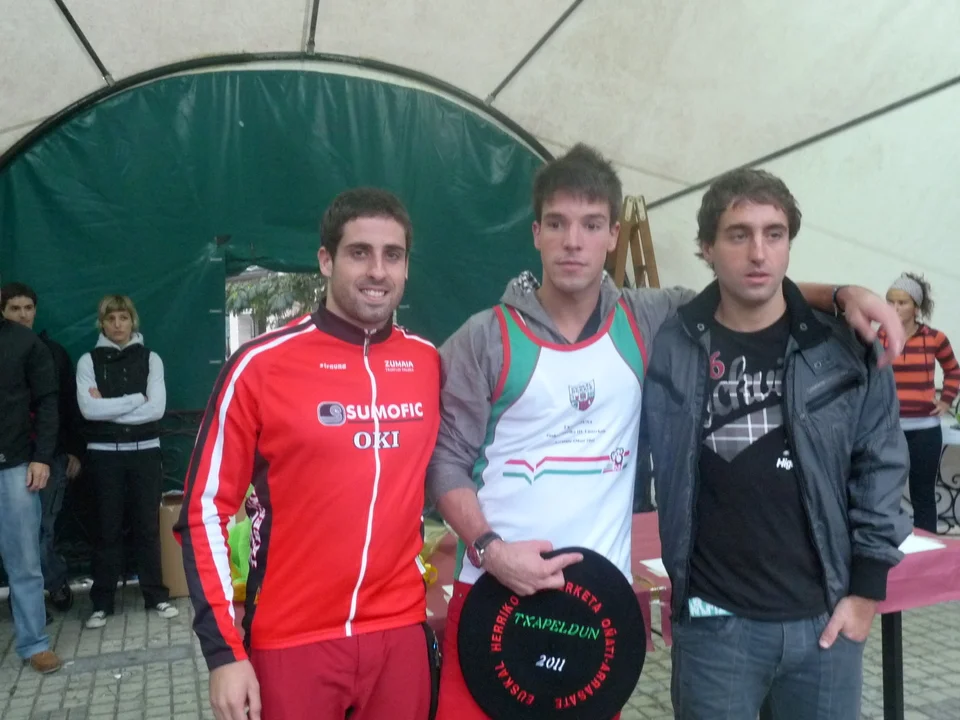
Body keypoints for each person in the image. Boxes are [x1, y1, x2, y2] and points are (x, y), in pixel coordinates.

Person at [425, 145, 908, 720]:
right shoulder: (485, 337)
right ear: (535, 233)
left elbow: (752, 287)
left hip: (594, 601)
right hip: (498, 589)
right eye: (557, 223)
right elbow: (445, 460)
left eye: (591, 224)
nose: (573, 241)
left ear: (613, 236)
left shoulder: (649, 317)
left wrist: (845, 293)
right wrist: (491, 549)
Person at [642, 168, 911, 719]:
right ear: (706, 248)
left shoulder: (844, 347)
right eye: (738, 234)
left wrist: (865, 594)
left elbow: (881, 468)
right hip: (713, 626)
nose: (758, 252)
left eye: (775, 233)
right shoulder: (668, 339)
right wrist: (840, 290)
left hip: (825, 622)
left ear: (790, 242)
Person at [176, 188, 442, 720]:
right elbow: (203, 511)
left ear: (407, 266)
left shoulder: (427, 362)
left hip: (400, 632)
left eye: (393, 255)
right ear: (325, 260)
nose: (378, 271)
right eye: (359, 252)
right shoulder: (260, 365)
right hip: (292, 639)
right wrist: (224, 653)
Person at [76, 294, 178, 629]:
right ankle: (102, 603)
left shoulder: (152, 359)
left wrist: (109, 407)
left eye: (123, 318)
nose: (117, 325)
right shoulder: (88, 362)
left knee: (147, 527)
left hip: (145, 452)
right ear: (102, 323)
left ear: (133, 321)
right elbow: (89, 410)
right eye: (111, 319)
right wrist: (136, 399)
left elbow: (156, 409)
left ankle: (156, 596)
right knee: (106, 529)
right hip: (103, 456)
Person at [2, 282, 85, 612]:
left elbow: (66, 406)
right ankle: (29, 600)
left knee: (41, 531)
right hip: (12, 458)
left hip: (49, 457)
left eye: (28, 308)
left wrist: (74, 450)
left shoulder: (53, 352)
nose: (22, 315)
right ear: (3, 313)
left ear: (36, 311)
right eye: (14, 309)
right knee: (17, 536)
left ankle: (53, 583)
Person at [0, 312, 62, 673]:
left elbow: (48, 403)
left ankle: (34, 643)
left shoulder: (25, 342)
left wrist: (42, 458)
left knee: (24, 560)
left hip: (15, 465)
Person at [884, 272, 960, 533]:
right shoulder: (878, 337)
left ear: (916, 307)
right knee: (885, 492)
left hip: (925, 429)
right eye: (890, 302)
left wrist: (946, 400)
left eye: (902, 303)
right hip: (888, 429)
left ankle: (927, 547)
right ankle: (888, 544)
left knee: (923, 493)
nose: (894, 308)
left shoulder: (934, 338)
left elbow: (953, 370)